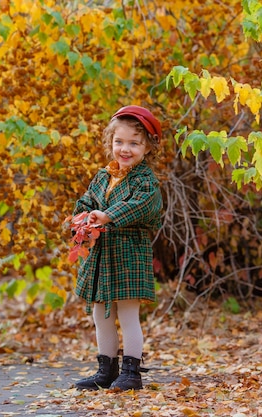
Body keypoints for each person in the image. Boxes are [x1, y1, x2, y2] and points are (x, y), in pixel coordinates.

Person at [71, 105, 163, 391]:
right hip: (100, 255)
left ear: (147, 147)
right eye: (119, 142)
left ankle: (132, 372)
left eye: (134, 143)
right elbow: (86, 202)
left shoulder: (145, 180)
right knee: (101, 313)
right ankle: (106, 368)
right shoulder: (103, 176)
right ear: (110, 142)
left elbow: (142, 206)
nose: (125, 149)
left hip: (128, 255)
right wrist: (82, 220)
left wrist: (109, 215)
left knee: (127, 313)